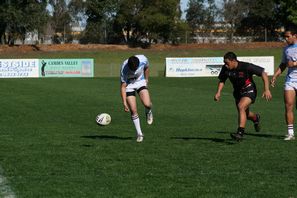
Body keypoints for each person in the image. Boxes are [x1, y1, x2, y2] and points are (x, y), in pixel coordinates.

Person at [214, 52, 272, 141]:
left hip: (249, 89)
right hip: (237, 93)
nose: (225, 65)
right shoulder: (225, 68)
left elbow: (263, 73)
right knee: (246, 113)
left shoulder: (246, 66)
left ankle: (240, 133)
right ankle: (255, 118)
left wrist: (267, 89)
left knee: (241, 106)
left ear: (233, 61)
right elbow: (222, 80)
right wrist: (218, 92)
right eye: (224, 63)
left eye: (227, 63)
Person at [271, 26, 297, 141]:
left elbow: (292, 63)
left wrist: (295, 64)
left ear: (295, 35)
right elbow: (283, 64)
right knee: (288, 106)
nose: (286, 39)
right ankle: (290, 133)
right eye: (285, 37)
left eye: (288, 36)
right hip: (290, 80)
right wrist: (275, 75)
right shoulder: (286, 49)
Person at [120, 55, 153, 143]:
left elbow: (146, 68)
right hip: (129, 86)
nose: (134, 71)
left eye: (136, 69)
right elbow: (123, 87)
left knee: (147, 104)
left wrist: (146, 79)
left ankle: (148, 110)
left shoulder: (143, 59)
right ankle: (139, 134)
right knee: (133, 110)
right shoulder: (124, 68)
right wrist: (124, 102)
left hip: (140, 82)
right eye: (132, 69)